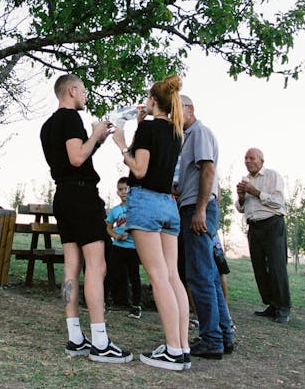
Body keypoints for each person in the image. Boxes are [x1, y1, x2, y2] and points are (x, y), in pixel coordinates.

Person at [40, 74, 133, 363]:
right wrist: (94, 133)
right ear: (72, 90)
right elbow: (78, 159)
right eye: (83, 91)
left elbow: (76, 155)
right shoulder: (70, 119)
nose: (86, 96)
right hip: (82, 197)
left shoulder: (47, 126)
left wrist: (98, 139)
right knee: (97, 265)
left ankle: (75, 338)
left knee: (72, 267)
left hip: (64, 197)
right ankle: (101, 342)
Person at [112, 75, 192, 371]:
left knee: (158, 277)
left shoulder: (147, 129)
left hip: (145, 203)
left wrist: (122, 144)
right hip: (167, 206)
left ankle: (171, 351)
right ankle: (181, 347)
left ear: (152, 101)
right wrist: (139, 126)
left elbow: (140, 169)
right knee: (172, 276)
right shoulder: (176, 132)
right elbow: (155, 155)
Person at [175, 94, 234, 359]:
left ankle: (211, 340)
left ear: (190, 109)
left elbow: (208, 171)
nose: (174, 115)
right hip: (190, 204)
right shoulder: (187, 137)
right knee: (207, 274)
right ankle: (223, 335)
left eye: (177, 110)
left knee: (198, 275)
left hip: (198, 208)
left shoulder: (199, 133)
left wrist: (200, 209)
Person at [236, 147, 292, 323]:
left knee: (276, 267)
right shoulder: (245, 180)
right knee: (259, 268)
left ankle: (283, 307)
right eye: (245, 158)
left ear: (261, 161)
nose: (248, 161)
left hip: (272, 224)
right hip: (254, 226)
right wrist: (241, 196)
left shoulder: (272, 176)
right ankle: (272, 304)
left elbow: (278, 202)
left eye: (252, 158)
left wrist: (255, 192)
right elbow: (240, 208)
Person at [104, 178, 142, 319]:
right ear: (117, 192)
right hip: (118, 247)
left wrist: (130, 232)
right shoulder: (116, 210)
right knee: (111, 274)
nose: (124, 192)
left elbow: (140, 224)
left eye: (126, 189)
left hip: (133, 247)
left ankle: (136, 306)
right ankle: (103, 301)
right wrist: (116, 236)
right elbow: (108, 227)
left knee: (134, 277)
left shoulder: (136, 209)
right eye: (121, 189)